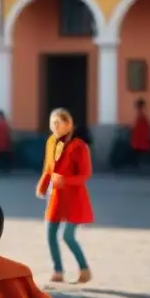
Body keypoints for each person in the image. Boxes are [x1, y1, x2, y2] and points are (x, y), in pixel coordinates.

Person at [36, 108, 94, 284]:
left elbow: (85, 174)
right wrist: (42, 185)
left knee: (68, 236)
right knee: (50, 233)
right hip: (56, 197)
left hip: (75, 198)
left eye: (57, 123)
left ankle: (84, 269)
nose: (54, 127)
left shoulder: (79, 147)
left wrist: (66, 180)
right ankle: (58, 270)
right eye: (52, 123)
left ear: (68, 125)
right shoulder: (51, 142)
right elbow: (48, 168)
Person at [129, 98, 150, 169]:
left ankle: (137, 164)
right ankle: (138, 164)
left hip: (140, 138)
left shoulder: (141, 115)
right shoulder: (142, 115)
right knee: (138, 152)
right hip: (141, 138)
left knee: (138, 152)